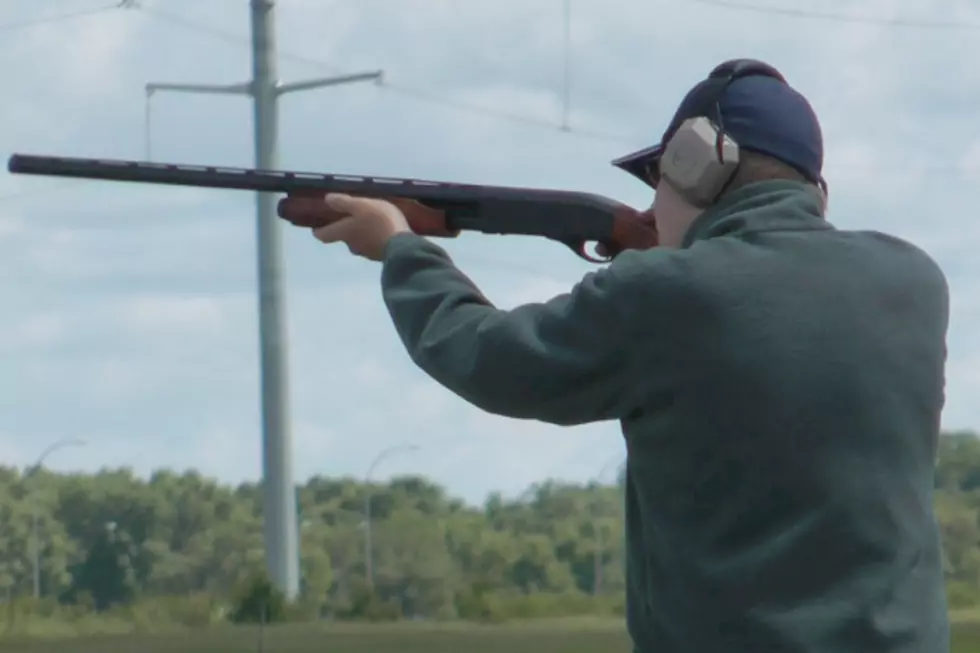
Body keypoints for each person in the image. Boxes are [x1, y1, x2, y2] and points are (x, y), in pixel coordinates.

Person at [284, 59, 951, 652]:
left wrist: (403, 249)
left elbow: (484, 357)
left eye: (657, 177)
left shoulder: (663, 294)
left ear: (693, 164)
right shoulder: (915, 283)